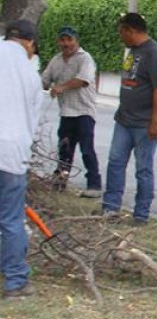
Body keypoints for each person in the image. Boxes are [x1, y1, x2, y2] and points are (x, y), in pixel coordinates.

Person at [102, 12, 157, 226]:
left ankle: (141, 214)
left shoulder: (154, 53)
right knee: (115, 162)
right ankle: (110, 207)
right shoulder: (131, 51)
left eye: (121, 31)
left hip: (144, 122)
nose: (120, 35)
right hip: (124, 119)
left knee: (143, 169)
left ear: (131, 31)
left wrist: (154, 122)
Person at [0, 20, 45, 299]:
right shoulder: (31, 74)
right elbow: (33, 119)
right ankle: (16, 281)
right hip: (12, 153)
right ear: (30, 43)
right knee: (11, 219)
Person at [41, 25, 102, 198]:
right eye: (62, 39)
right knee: (65, 149)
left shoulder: (85, 58)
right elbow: (44, 80)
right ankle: (60, 181)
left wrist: (61, 87)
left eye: (69, 39)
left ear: (76, 41)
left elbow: (83, 80)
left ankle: (94, 185)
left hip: (84, 111)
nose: (66, 43)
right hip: (66, 112)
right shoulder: (56, 60)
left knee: (87, 149)